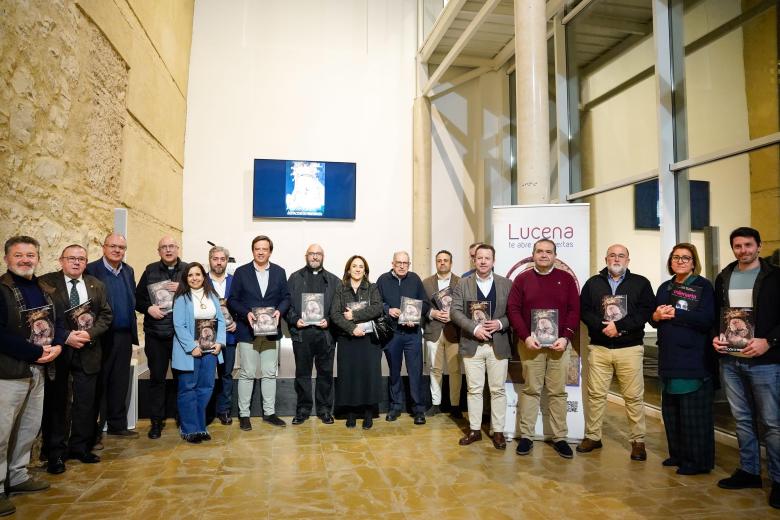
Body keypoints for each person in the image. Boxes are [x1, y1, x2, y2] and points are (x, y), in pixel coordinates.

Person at [712, 227, 780, 509]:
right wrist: (716, 337)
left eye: (748, 245)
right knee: (741, 419)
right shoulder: (724, 277)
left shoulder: (776, 277)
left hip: (765, 361)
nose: (743, 250)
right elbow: (720, 314)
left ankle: (778, 479)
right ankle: (750, 471)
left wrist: (770, 341)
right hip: (731, 360)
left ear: (759, 246)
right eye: (738, 246)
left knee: (772, 423)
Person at [0, 236, 64, 516]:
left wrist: (58, 345)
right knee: (1, 432)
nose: (25, 260)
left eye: (30, 255)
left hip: (39, 368)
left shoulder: (44, 289)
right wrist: (32, 352)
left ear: (38, 258)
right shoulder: (1, 290)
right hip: (9, 370)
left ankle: (18, 475)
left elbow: (58, 324)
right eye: (19, 255)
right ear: (6, 258)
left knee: (28, 426)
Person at [578, 244, 655, 461]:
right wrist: (603, 326)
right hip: (600, 348)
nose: (616, 258)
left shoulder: (641, 283)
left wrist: (619, 327)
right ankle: (593, 436)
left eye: (621, 255)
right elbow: (584, 310)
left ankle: (638, 441)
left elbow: (646, 312)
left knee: (633, 397)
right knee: (595, 395)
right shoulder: (593, 283)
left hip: (629, 348)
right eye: (612, 255)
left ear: (628, 260)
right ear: (606, 259)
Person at [40, 244, 112, 474]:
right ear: (61, 260)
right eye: (71, 258)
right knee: (57, 404)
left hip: (88, 351)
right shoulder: (46, 284)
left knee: (85, 403)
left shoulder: (96, 285)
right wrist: (66, 337)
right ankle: (55, 454)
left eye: (81, 259)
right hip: (58, 353)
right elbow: (42, 317)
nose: (76, 262)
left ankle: (80, 448)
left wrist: (89, 333)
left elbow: (106, 315)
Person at [507, 239, 580, 459]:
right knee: (531, 390)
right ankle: (526, 436)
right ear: (533, 254)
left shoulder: (566, 279)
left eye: (548, 252)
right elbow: (513, 309)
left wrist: (566, 337)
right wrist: (525, 336)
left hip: (559, 346)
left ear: (555, 256)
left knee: (557, 392)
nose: (544, 255)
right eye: (539, 251)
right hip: (531, 345)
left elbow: (574, 311)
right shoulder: (522, 279)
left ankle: (560, 438)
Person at [650, 243, 716, 476]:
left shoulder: (703, 286)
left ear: (693, 262)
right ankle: (677, 454)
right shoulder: (664, 288)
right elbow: (654, 317)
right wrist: (656, 316)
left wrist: (677, 313)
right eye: (676, 257)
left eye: (685, 258)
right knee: (672, 410)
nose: (680, 261)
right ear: (670, 261)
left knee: (692, 412)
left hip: (692, 358)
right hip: (668, 356)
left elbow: (707, 319)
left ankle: (697, 461)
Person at [451, 244, 513, 449]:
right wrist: (474, 328)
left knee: (497, 390)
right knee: (474, 390)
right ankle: (475, 430)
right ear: (474, 260)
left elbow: (514, 313)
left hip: (498, 345)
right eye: (480, 258)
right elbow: (455, 311)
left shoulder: (506, 284)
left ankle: (498, 432)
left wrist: (500, 323)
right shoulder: (462, 283)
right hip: (472, 344)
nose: (483, 261)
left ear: (493, 261)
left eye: (487, 258)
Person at [228, 235, 291, 430]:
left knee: (269, 373)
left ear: (270, 251)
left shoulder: (280, 272)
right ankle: (244, 414)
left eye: (265, 249)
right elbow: (232, 300)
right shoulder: (241, 272)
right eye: (257, 248)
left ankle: (269, 413)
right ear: (253, 251)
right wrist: (246, 313)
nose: (261, 252)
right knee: (247, 373)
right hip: (248, 332)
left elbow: (286, 297)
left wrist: (281, 310)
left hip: (271, 332)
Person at [86, 233, 140, 441]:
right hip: (101, 336)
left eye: (121, 247)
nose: (117, 250)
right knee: (99, 382)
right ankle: (94, 432)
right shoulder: (91, 270)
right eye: (113, 246)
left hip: (124, 335)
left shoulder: (128, 270)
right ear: (104, 247)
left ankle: (118, 424)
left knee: (120, 381)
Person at [135, 236, 187, 439]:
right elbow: (137, 299)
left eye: (171, 246)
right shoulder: (150, 270)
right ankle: (156, 421)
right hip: (156, 334)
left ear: (177, 249)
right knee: (157, 378)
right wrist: (149, 308)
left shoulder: (188, 269)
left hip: (180, 335)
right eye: (164, 247)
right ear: (158, 251)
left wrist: (183, 288)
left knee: (182, 377)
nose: (168, 250)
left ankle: (182, 418)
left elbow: (201, 294)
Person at [285, 244, 340, 425]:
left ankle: (324, 410)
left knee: (325, 373)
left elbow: (338, 308)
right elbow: (287, 305)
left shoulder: (334, 280)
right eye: (311, 254)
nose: (315, 257)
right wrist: (295, 320)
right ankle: (303, 410)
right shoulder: (294, 278)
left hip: (325, 335)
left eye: (318, 254)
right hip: (302, 334)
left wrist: (329, 321)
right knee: (303, 374)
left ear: (323, 256)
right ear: (306, 256)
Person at [172, 262, 225, 443]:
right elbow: (178, 325)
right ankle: (189, 429)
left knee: (206, 388)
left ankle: (200, 427)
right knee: (188, 389)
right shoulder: (181, 299)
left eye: (198, 274)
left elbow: (221, 321)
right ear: (186, 279)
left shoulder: (212, 297)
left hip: (210, 351)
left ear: (204, 277)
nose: (194, 278)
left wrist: (220, 342)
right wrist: (191, 347)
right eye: (190, 275)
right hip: (190, 353)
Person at [329, 255, 383, 429]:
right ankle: (351, 413)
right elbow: (335, 314)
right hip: (347, 338)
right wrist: (351, 328)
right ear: (348, 269)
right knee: (348, 376)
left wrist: (355, 316)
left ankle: (368, 413)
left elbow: (377, 308)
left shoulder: (372, 287)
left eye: (361, 266)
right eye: (354, 266)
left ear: (365, 271)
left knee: (369, 375)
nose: (358, 269)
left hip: (369, 340)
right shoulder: (340, 288)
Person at [376, 251, 430, 424]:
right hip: (393, 334)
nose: (401, 266)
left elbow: (426, 304)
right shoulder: (383, 280)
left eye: (405, 263)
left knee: (415, 371)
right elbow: (376, 303)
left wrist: (414, 316)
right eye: (398, 262)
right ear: (392, 263)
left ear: (409, 264)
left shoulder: (415, 279)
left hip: (412, 334)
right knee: (394, 372)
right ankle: (395, 406)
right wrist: (388, 309)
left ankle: (418, 409)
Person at [422, 250, 462, 418]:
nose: (442, 263)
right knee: (434, 369)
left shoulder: (461, 282)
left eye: (446, 260)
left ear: (451, 263)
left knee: (455, 370)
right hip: (434, 331)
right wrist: (432, 313)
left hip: (455, 331)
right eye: (439, 260)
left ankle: (455, 405)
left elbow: (466, 307)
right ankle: (435, 404)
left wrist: (453, 315)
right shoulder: (426, 283)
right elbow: (422, 306)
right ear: (436, 263)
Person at [207, 246, 237, 426]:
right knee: (208, 374)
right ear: (209, 260)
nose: (218, 262)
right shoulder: (201, 281)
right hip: (207, 337)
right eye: (215, 258)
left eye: (222, 259)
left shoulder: (235, 281)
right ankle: (207, 410)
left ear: (227, 261)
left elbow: (241, 305)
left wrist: (237, 323)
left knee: (226, 374)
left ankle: (224, 410)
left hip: (230, 336)